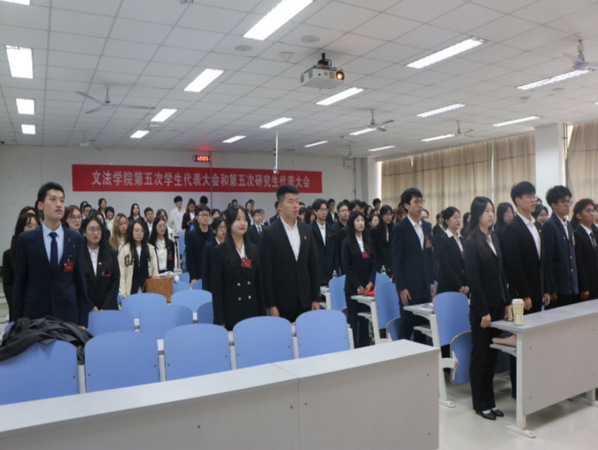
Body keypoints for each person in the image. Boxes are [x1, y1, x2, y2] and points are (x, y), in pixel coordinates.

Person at [13, 182, 89, 327]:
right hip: (35, 314)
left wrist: (83, 321)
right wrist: (18, 321)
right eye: (53, 199)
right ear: (40, 205)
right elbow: (20, 284)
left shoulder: (76, 239)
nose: (59, 204)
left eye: (62, 200)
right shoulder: (26, 239)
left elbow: (80, 282)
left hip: (68, 314)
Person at [464, 196, 510, 421]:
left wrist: (507, 302)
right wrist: (483, 311)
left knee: (492, 358)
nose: (491, 215)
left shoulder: (495, 238)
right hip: (482, 311)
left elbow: (501, 275)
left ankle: (490, 402)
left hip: (498, 306)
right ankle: (480, 404)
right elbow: (474, 280)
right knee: (480, 358)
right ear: (476, 215)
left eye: (492, 210)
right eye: (486, 211)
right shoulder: (471, 241)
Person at [260, 185, 320, 322]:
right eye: (290, 201)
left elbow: (313, 265)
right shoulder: (269, 233)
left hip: (305, 299)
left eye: (297, 201)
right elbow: (266, 272)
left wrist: (316, 298)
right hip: (282, 301)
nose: (295, 205)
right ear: (280, 206)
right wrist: (271, 304)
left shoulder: (306, 230)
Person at [391, 188, 434, 344]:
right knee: (407, 325)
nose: (420, 205)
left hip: (424, 285)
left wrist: (431, 282)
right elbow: (396, 261)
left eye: (421, 201)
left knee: (422, 327)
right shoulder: (400, 228)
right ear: (406, 205)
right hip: (409, 286)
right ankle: (399, 355)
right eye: (416, 202)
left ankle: (420, 356)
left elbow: (428, 256)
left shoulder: (426, 226)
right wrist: (401, 287)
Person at [211, 207, 265, 329]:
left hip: (253, 310)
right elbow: (217, 289)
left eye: (245, 219)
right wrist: (220, 320)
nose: (242, 223)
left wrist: (262, 314)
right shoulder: (220, 251)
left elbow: (259, 285)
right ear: (229, 223)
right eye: (238, 219)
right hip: (232, 312)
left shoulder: (254, 249)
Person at [502, 181, 550, 314]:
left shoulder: (537, 226)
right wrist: (524, 294)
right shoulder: (512, 228)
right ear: (518, 200)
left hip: (538, 290)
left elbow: (542, 261)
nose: (533, 200)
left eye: (534, 196)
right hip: (523, 294)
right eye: (529, 197)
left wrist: (546, 289)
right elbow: (514, 265)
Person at [342, 210, 376, 347]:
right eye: (357, 220)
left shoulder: (369, 241)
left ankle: (364, 347)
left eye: (362, 220)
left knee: (364, 320)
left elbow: (374, 265)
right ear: (352, 223)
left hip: (367, 288)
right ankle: (353, 347)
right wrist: (358, 286)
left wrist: (371, 282)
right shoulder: (347, 242)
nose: (361, 223)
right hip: (353, 288)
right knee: (353, 320)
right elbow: (347, 267)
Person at [543, 186, 578, 308]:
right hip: (559, 287)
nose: (568, 205)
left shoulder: (569, 225)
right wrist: (552, 288)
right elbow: (548, 260)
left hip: (571, 285)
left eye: (569, 201)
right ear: (553, 205)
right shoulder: (550, 225)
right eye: (563, 201)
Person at [2, 212, 40, 321]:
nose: (33, 229)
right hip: (19, 307)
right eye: (29, 226)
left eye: (36, 226)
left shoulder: (43, 252)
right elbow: (8, 285)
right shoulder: (9, 254)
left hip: (39, 306)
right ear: (21, 228)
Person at [82, 214, 120, 312]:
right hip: (86, 309)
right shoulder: (79, 255)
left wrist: (105, 307)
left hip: (108, 308)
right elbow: (77, 284)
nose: (96, 233)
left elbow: (115, 282)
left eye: (99, 229)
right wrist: (91, 306)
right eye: (92, 229)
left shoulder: (110, 253)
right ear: (84, 232)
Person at [118, 219, 158, 298]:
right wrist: (123, 294)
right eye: (136, 231)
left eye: (141, 231)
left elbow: (155, 271)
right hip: (131, 289)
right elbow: (122, 274)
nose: (139, 233)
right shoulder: (124, 250)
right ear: (131, 232)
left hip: (147, 288)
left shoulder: (150, 249)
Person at [434, 207, 468, 295]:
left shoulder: (462, 239)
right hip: (449, 286)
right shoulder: (442, 239)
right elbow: (445, 266)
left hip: (464, 286)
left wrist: (468, 285)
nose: (458, 220)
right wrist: (459, 286)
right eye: (455, 217)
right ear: (447, 220)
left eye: (459, 217)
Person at [573, 199, 598, 300]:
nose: (592, 214)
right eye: (588, 211)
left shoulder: (595, 232)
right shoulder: (577, 234)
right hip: (588, 285)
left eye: (593, 210)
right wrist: (584, 287)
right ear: (579, 215)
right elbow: (579, 263)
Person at [311, 198, 338, 285]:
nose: (324, 212)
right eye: (322, 209)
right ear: (315, 211)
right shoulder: (309, 230)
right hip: (316, 271)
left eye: (326, 210)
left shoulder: (332, 230)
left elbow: (335, 253)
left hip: (330, 271)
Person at [186, 205, 215, 284]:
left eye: (207, 215)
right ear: (197, 217)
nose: (205, 217)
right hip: (198, 273)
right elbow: (190, 258)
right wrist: (193, 277)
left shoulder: (214, 234)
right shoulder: (191, 235)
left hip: (213, 273)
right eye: (202, 215)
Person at [201, 217, 227, 292]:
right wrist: (206, 291)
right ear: (214, 230)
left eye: (225, 227)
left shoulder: (230, 245)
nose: (223, 230)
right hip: (214, 286)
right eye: (220, 227)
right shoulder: (208, 247)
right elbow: (205, 271)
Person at [370, 205, 394, 277]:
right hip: (380, 263)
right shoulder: (374, 231)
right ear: (381, 216)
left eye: (390, 215)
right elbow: (373, 250)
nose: (389, 217)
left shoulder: (394, 229)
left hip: (391, 263)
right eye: (386, 214)